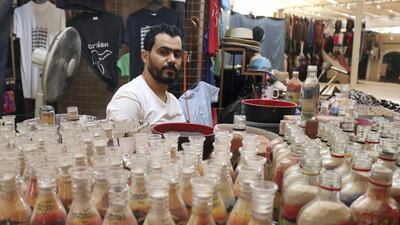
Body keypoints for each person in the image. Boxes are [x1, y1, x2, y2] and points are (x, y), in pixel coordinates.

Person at [106, 24, 186, 124]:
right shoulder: (129, 99)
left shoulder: (174, 102)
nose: (172, 60)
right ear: (145, 56)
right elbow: (120, 140)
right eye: (163, 52)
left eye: (177, 55)